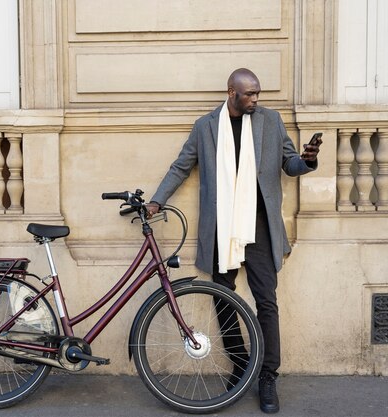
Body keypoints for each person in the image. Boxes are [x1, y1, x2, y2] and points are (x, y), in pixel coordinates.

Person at [146, 68, 321, 414]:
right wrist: (157, 200)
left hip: (258, 226)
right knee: (222, 299)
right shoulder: (206, 127)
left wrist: (308, 161)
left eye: (258, 93)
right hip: (221, 228)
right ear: (232, 93)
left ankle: (268, 375)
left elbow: (289, 163)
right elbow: (181, 167)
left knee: (265, 303)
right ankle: (241, 365)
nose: (256, 99)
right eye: (250, 94)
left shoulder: (271, 122)